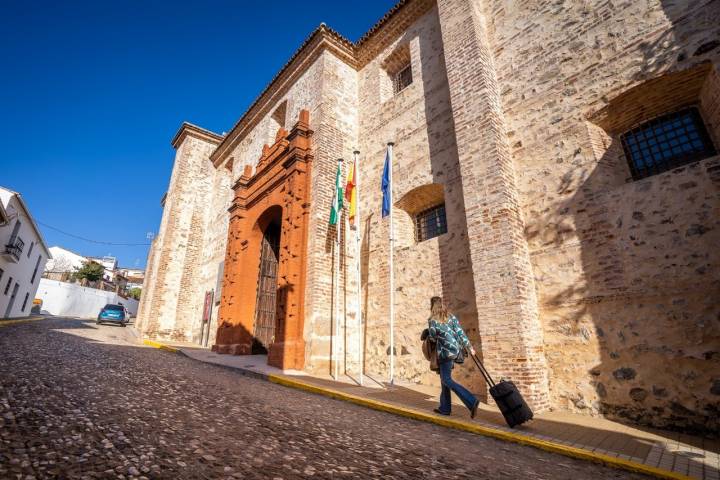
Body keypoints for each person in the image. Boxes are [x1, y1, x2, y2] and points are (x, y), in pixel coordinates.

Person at [427, 296, 479, 418]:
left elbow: (433, 337)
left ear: (432, 306)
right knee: (444, 379)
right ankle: (445, 408)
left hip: (444, 352)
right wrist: (470, 347)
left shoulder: (432, 320)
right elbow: (460, 332)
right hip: (455, 350)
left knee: (446, 380)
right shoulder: (451, 317)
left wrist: (428, 334)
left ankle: (471, 401)